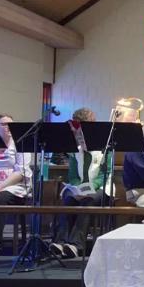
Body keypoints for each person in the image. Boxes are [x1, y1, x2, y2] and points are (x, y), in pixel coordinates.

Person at [49, 108, 112, 259]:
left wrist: (89, 188)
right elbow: (73, 175)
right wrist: (79, 188)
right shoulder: (74, 149)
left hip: (100, 187)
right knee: (68, 200)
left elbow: (104, 174)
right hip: (80, 187)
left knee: (88, 202)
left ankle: (76, 245)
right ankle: (60, 242)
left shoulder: (105, 146)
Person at [0, 114, 32, 260]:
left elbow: (21, 172)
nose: (8, 127)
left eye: (11, 124)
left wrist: (0, 187)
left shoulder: (20, 144)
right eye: (4, 124)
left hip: (12, 186)